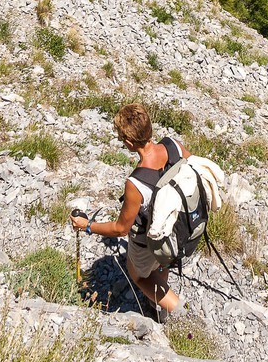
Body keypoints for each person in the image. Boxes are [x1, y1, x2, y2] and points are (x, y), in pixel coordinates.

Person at [72, 102, 187, 317]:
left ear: (128, 142)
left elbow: (120, 229)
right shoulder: (175, 146)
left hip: (151, 239)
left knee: (140, 276)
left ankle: (184, 317)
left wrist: (87, 226)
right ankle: (156, 307)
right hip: (180, 225)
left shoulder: (136, 183)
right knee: (162, 264)